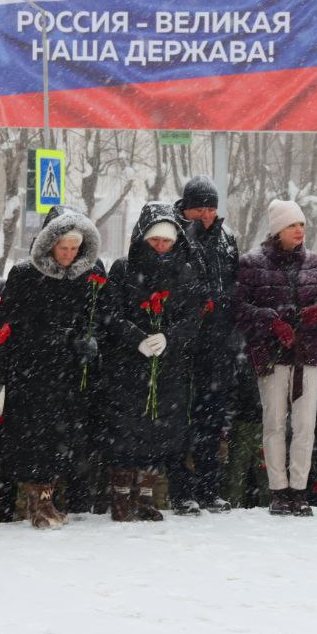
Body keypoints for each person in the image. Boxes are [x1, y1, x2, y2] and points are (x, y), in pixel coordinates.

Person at [0, 207, 104, 529]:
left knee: (58, 441)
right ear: (49, 244)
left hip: (64, 373)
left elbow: (89, 320)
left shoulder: (82, 277)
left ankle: (47, 502)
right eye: (63, 248)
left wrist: (84, 340)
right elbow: (7, 325)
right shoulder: (25, 273)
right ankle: (37, 505)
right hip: (32, 370)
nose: (68, 255)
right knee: (33, 441)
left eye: (74, 249)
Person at [101, 203, 205, 522]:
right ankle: (120, 497)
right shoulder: (123, 269)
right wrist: (137, 338)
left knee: (158, 431)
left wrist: (169, 338)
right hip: (129, 365)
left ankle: (145, 495)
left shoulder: (185, 273)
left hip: (167, 366)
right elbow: (111, 313)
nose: (160, 246)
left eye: (167, 241)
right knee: (126, 429)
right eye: (154, 240)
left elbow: (193, 317)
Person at [235, 200, 317, 516]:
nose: (298, 230)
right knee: (274, 423)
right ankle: (278, 490)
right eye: (292, 225)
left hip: (308, 354)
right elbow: (238, 308)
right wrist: (271, 320)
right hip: (271, 356)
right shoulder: (252, 264)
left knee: (306, 425)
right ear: (278, 229)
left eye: (302, 225)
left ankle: (300, 489)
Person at [174, 175, 239, 515]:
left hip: (218, 346)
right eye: (200, 208)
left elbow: (234, 284)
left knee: (213, 423)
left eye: (212, 208)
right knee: (184, 421)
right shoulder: (174, 234)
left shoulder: (227, 238)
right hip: (186, 346)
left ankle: (209, 488)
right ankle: (182, 490)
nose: (207, 215)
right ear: (187, 208)